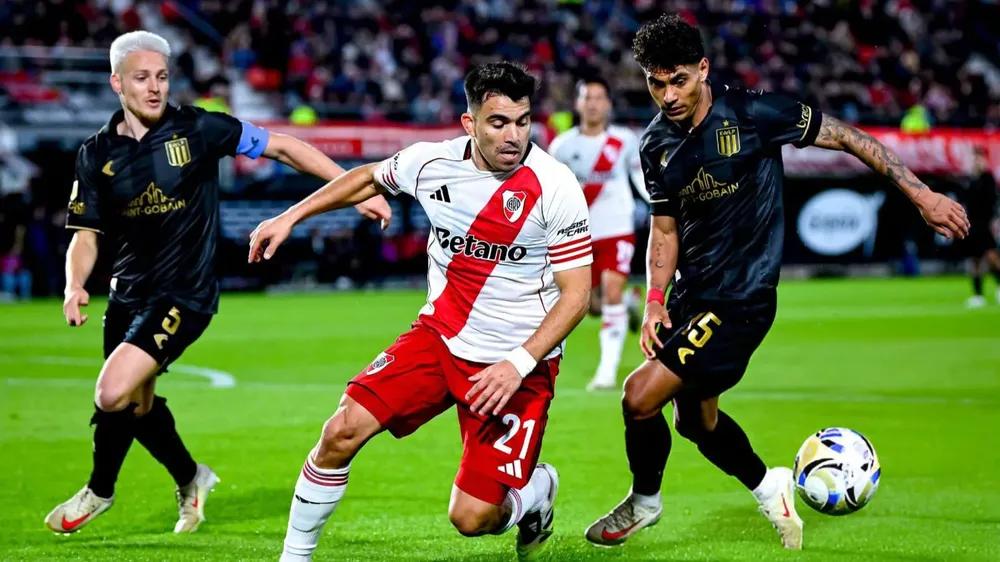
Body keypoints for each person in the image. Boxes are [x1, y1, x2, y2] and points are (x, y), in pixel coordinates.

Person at [585, 14, 969, 551]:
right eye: (655, 82)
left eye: (678, 80)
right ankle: (771, 487)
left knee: (637, 397)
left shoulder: (753, 112)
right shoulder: (654, 146)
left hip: (741, 300)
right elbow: (665, 229)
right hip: (690, 297)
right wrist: (652, 301)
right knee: (696, 424)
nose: (667, 95)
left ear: (703, 69)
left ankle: (645, 501)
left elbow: (849, 137)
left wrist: (923, 195)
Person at [46, 30, 390, 535]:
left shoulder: (200, 129)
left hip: (184, 294)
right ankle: (192, 478)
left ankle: (100, 490)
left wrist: (352, 187)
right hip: (126, 294)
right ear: (117, 82)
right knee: (136, 407)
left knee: (110, 391)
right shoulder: (95, 153)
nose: (154, 87)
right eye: (142, 78)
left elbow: (284, 147)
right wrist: (75, 284)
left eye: (162, 77)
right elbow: (86, 234)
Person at [248, 61, 593, 562]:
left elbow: (576, 294)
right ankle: (294, 557)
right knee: (340, 432)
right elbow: (369, 177)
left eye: (522, 121)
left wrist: (518, 363)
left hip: (516, 361)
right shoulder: (431, 164)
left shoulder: (556, 185)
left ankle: (537, 492)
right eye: (499, 122)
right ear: (469, 124)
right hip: (439, 337)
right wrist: (291, 216)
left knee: (473, 519)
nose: (514, 135)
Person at [547, 77, 649, 391]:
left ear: (608, 104)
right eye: (587, 97)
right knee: (589, 305)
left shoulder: (625, 139)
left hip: (617, 227)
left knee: (612, 290)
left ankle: (606, 373)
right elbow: (554, 191)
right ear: (577, 104)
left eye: (599, 98)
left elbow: (638, 176)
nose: (592, 104)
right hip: (579, 232)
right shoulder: (562, 146)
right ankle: (629, 305)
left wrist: (658, 203)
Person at [960, 146, 999, 308]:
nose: (976, 161)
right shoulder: (969, 179)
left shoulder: (987, 178)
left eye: (979, 158)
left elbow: (991, 201)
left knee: (991, 257)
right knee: (974, 261)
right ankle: (977, 295)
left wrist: (994, 221)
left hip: (985, 224)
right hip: (972, 225)